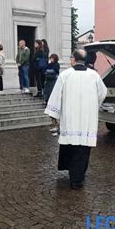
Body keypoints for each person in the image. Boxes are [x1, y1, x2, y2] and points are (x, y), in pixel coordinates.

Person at [44, 49, 107, 189]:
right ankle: (77, 177)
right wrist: (93, 106)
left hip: (70, 119)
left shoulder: (65, 75)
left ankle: (74, 177)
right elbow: (103, 93)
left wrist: (54, 115)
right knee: (83, 149)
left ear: (73, 59)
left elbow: (56, 96)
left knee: (71, 147)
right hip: (87, 120)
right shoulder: (94, 76)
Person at [43, 54, 61, 137]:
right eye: (50, 58)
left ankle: (56, 124)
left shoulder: (56, 65)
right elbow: (45, 70)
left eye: (52, 58)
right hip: (48, 84)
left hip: (53, 85)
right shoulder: (49, 65)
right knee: (49, 105)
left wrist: (49, 71)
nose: (51, 59)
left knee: (53, 105)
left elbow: (55, 71)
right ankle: (53, 123)